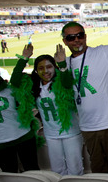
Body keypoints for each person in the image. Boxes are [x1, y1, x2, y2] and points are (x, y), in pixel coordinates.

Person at [61, 21, 108, 178]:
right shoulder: (64, 65)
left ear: (85, 37)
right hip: (88, 127)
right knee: (99, 171)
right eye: (71, 37)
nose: (76, 40)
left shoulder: (103, 53)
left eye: (80, 35)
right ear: (65, 41)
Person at [20, 44, 84, 175]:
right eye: (41, 68)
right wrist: (24, 58)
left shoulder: (62, 82)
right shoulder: (35, 87)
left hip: (70, 133)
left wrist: (62, 64)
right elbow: (15, 81)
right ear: (36, 71)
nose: (46, 71)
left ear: (54, 67)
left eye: (49, 67)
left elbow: (67, 83)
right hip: (51, 134)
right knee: (57, 170)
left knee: (75, 168)